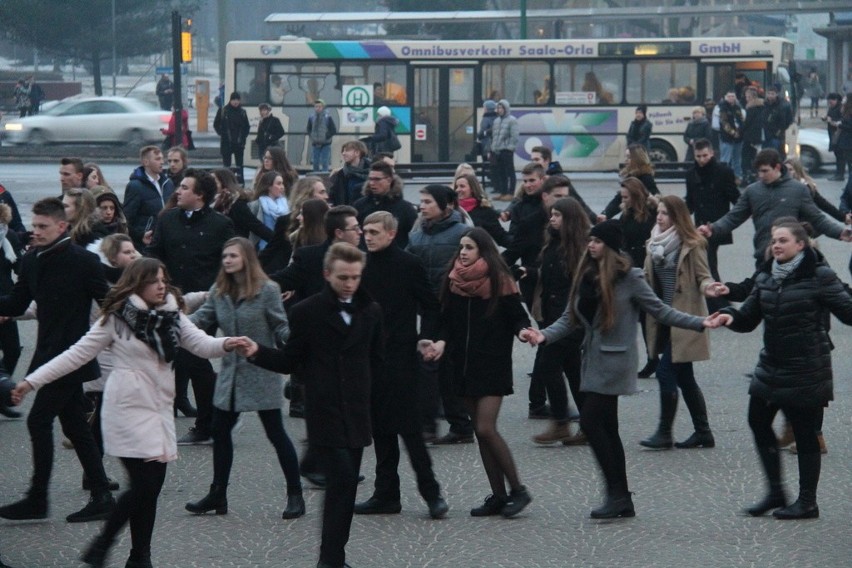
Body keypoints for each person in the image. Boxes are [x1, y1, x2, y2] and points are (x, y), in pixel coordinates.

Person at [11, 258, 245, 568]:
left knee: (151, 488)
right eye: (154, 281)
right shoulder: (117, 318)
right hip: (126, 409)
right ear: (137, 284)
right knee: (143, 485)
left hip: (159, 408)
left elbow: (201, 344)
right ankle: (103, 543)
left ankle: (139, 557)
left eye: (163, 279)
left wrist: (228, 342)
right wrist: (31, 381)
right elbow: (76, 354)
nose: (161, 285)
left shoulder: (172, 314)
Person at [522, 220, 720, 519]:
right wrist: (543, 335)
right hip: (592, 360)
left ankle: (616, 493)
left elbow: (660, 310)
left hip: (615, 362)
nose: (591, 245)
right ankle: (620, 497)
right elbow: (568, 318)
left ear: (611, 246)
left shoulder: (630, 277)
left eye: (598, 241)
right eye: (590, 240)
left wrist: (699, 322)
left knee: (589, 422)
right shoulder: (584, 274)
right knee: (609, 429)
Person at [238, 243, 384, 568]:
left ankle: (334, 557)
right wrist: (257, 352)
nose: (349, 284)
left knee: (345, 489)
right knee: (343, 480)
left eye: (355, 277)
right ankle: (329, 560)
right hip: (325, 410)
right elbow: (291, 360)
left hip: (357, 411)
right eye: (343, 277)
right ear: (327, 274)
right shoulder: (307, 311)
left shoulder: (371, 311)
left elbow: (377, 361)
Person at [710, 221, 852, 519]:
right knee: (757, 421)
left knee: (804, 433)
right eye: (774, 240)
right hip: (771, 364)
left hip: (806, 367)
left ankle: (807, 502)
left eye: (783, 240)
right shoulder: (766, 276)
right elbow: (748, 317)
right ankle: (776, 491)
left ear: (801, 245)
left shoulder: (819, 276)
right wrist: (727, 316)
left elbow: (848, 312)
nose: (776, 245)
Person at [0, 198, 115, 524]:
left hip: (73, 357)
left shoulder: (84, 261)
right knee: (76, 425)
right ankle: (102, 494)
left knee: (38, 421)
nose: (34, 232)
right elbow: (16, 301)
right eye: (34, 226)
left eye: (42, 227)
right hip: (46, 354)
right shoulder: (32, 260)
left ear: (62, 226)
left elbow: (110, 302)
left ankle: (38, 499)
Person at [184, 238, 304, 520]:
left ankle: (295, 494)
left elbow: (280, 326)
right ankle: (218, 494)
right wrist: (173, 323)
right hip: (230, 375)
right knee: (220, 431)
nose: (227, 260)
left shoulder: (268, 290)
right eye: (224, 256)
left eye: (233, 256)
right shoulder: (220, 290)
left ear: (247, 259)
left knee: (276, 433)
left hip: (261, 369)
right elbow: (201, 318)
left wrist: (298, 345)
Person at [422, 227, 533, 518]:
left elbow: (517, 316)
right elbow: (445, 320)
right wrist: (440, 341)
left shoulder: (501, 280)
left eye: (469, 247)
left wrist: (523, 331)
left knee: (485, 428)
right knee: (481, 434)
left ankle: (518, 490)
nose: (462, 252)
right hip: (461, 365)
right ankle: (497, 495)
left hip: (492, 363)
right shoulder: (453, 280)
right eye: (461, 247)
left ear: (483, 250)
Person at [355, 211, 448, 519]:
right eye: (364, 231)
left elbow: (431, 305)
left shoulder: (408, 264)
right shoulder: (361, 266)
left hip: (402, 357)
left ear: (391, 234)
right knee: (381, 431)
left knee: (410, 430)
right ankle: (386, 494)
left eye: (374, 232)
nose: (367, 236)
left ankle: (432, 493)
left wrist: (427, 338)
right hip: (370, 360)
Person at [148, 169, 236, 446]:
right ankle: (207, 415)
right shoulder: (167, 219)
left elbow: (229, 264)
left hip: (206, 302)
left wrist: (221, 293)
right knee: (176, 358)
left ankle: (206, 423)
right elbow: (155, 256)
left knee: (192, 357)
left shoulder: (221, 224)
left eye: (185, 188)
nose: (178, 191)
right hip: (170, 299)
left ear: (200, 195)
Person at [639, 195, 724, 450]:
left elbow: (703, 276)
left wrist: (709, 288)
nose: (659, 217)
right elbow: (645, 277)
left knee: (666, 372)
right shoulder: (653, 243)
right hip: (663, 319)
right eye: (659, 212)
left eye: (665, 213)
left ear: (677, 216)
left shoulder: (693, 243)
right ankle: (703, 432)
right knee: (685, 376)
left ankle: (664, 432)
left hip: (685, 320)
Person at [699, 149, 850, 266]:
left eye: (765, 171)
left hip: (793, 257)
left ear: (777, 167)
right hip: (764, 255)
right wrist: (712, 229)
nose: (761, 175)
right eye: (758, 171)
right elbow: (733, 217)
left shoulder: (798, 189)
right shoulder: (752, 191)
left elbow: (817, 218)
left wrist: (840, 232)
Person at [407, 185, 474, 444]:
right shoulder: (416, 237)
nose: (422, 207)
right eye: (421, 202)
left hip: (456, 307)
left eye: (427, 202)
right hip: (429, 309)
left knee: (447, 367)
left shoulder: (463, 234)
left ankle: (450, 424)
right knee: (431, 363)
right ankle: (448, 424)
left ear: (446, 206)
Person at [528, 197, 589, 445]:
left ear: (570, 219)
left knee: (548, 365)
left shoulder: (580, 248)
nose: (552, 219)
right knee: (573, 371)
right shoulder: (553, 244)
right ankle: (588, 424)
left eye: (557, 215)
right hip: (553, 318)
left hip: (570, 319)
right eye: (551, 215)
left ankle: (562, 421)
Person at [684, 139, 740, 286]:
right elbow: (690, 201)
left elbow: (734, 196)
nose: (702, 159)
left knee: (707, 263)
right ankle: (716, 296)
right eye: (698, 156)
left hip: (717, 224)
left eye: (705, 155)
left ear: (712, 153)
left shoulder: (723, 172)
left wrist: (747, 211)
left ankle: (717, 298)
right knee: (706, 263)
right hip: (700, 224)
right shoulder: (690, 174)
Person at [353, 161, 417, 250]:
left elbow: (414, 238)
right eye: (370, 179)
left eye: (377, 179)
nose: (372, 183)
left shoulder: (406, 209)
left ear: (389, 180)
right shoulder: (359, 205)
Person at [123, 146, 172, 251]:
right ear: (146, 162)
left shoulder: (168, 183)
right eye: (157, 159)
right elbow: (127, 218)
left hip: (167, 239)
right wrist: (140, 235)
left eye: (162, 158)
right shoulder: (135, 186)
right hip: (146, 243)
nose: (162, 162)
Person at [211, 168, 274, 245]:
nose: (210, 184)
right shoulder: (210, 202)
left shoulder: (236, 203)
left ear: (224, 183)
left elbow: (255, 225)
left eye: (214, 181)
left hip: (234, 246)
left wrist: (278, 241)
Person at [600, 144, 660, 220]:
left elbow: (656, 198)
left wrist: (606, 214)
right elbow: (619, 198)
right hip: (633, 215)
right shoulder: (631, 176)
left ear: (637, 158)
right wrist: (606, 214)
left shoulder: (645, 177)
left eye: (629, 157)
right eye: (626, 157)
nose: (626, 160)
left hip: (641, 218)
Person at [453, 173, 510, 247]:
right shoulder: (451, 210)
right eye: (456, 187)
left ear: (472, 189)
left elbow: (501, 238)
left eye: (462, 186)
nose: (457, 190)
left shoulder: (485, 211)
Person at [214, 92, 250, 182]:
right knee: (226, 166)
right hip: (226, 143)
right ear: (230, 100)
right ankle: (227, 182)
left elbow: (247, 126)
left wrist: (243, 137)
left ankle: (240, 181)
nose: (235, 102)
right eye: (233, 100)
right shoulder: (223, 110)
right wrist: (221, 133)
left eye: (237, 100)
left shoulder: (242, 112)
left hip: (239, 143)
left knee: (240, 165)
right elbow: (216, 124)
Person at [252, 171, 290, 250]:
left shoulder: (287, 204)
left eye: (282, 183)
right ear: (269, 186)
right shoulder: (257, 205)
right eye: (279, 184)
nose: (282, 187)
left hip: (282, 247)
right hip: (263, 247)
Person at [490, 99, 519, 201]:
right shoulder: (496, 121)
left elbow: (515, 136)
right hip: (497, 150)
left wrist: (510, 147)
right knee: (501, 172)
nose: (499, 110)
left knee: (509, 171)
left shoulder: (512, 120)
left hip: (507, 150)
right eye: (498, 107)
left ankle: (510, 193)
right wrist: (493, 148)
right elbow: (494, 136)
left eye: (501, 108)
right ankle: (503, 192)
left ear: (506, 108)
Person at [328, 141, 370, 206]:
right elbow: (333, 196)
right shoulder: (340, 174)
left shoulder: (372, 172)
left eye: (347, 150)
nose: (343, 153)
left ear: (357, 153)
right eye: (343, 151)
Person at [718, 90, 745, 181]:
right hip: (727, 138)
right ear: (725, 97)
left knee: (737, 159)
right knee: (725, 159)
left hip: (738, 138)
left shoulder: (738, 108)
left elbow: (741, 121)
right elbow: (724, 123)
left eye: (733, 96)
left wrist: (740, 131)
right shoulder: (723, 108)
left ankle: (737, 177)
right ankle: (723, 177)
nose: (731, 98)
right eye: (729, 96)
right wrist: (733, 132)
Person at [740, 87, 764, 186]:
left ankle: (748, 176)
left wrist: (740, 130)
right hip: (758, 136)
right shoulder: (762, 107)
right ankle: (754, 175)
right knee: (754, 156)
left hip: (750, 137)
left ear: (752, 97)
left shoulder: (751, 108)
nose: (746, 98)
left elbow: (747, 123)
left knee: (746, 157)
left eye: (747, 96)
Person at [307, 99, 337, 172]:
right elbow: (309, 128)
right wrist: (312, 137)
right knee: (315, 161)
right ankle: (315, 175)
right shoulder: (311, 117)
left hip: (326, 143)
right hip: (315, 143)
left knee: (325, 161)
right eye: (316, 106)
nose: (317, 108)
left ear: (323, 107)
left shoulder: (328, 117)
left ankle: (325, 175)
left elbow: (333, 130)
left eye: (319, 106)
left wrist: (326, 136)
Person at [823, 93, 844, 181]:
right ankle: (838, 173)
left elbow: (841, 123)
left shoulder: (840, 109)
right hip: (833, 134)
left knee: (840, 156)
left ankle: (840, 174)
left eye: (831, 100)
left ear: (836, 100)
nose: (829, 102)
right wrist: (825, 118)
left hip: (838, 135)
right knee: (837, 155)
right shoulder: (832, 108)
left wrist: (831, 121)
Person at [477, 100, 498, 180]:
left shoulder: (486, 118)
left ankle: (490, 179)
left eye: (484, 107)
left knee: (486, 163)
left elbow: (482, 131)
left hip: (486, 144)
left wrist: (478, 136)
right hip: (494, 144)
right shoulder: (497, 117)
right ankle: (494, 180)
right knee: (493, 164)